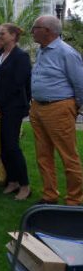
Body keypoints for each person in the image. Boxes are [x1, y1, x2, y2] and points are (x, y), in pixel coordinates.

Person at [29, 15, 83, 205]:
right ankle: (49, 195)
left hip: (58, 107)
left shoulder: (66, 52)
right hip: (37, 107)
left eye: (35, 27)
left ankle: (75, 199)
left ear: (48, 31)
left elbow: (80, 83)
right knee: (43, 155)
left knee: (68, 155)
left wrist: (74, 107)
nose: (31, 31)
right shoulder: (43, 50)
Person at [0, 24, 32, 201]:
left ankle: (25, 185)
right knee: (1, 146)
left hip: (12, 107)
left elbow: (17, 84)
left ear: (13, 36)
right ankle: (12, 181)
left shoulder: (21, 57)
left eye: (2, 33)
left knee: (12, 146)